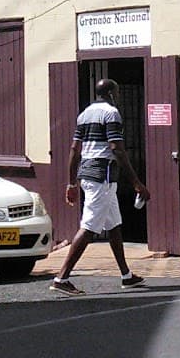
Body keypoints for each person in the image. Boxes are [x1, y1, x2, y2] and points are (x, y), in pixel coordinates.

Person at [49, 77, 150, 296]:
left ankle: (126, 275)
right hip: (102, 176)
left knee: (113, 225)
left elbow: (75, 150)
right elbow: (117, 149)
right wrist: (137, 183)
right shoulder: (111, 113)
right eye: (118, 93)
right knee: (89, 226)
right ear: (113, 94)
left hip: (87, 173)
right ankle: (62, 277)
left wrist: (71, 182)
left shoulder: (84, 114)